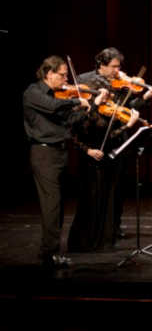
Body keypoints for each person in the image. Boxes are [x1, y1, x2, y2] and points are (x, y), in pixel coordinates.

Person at [69, 48, 151, 251]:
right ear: (101, 65)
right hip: (94, 142)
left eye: (119, 66)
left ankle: (107, 237)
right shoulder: (85, 81)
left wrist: (142, 98)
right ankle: (86, 240)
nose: (118, 70)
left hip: (114, 140)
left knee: (112, 193)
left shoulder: (119, 84)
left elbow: (126, 105)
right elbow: (80, 119)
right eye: (114, 66)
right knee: (92, 195)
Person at [23, 56, 100, 268]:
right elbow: (53, 106)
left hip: (60, 153)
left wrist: (90, 106)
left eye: (67, 74)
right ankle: (49, 253)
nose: (67, 79)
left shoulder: (60, 99)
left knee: (58, 206)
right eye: (63, 74)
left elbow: (68, 123)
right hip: (44, 154)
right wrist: (76, 101)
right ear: (48, 73)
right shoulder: (33, 93)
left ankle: (51, 251)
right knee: (52, 206)